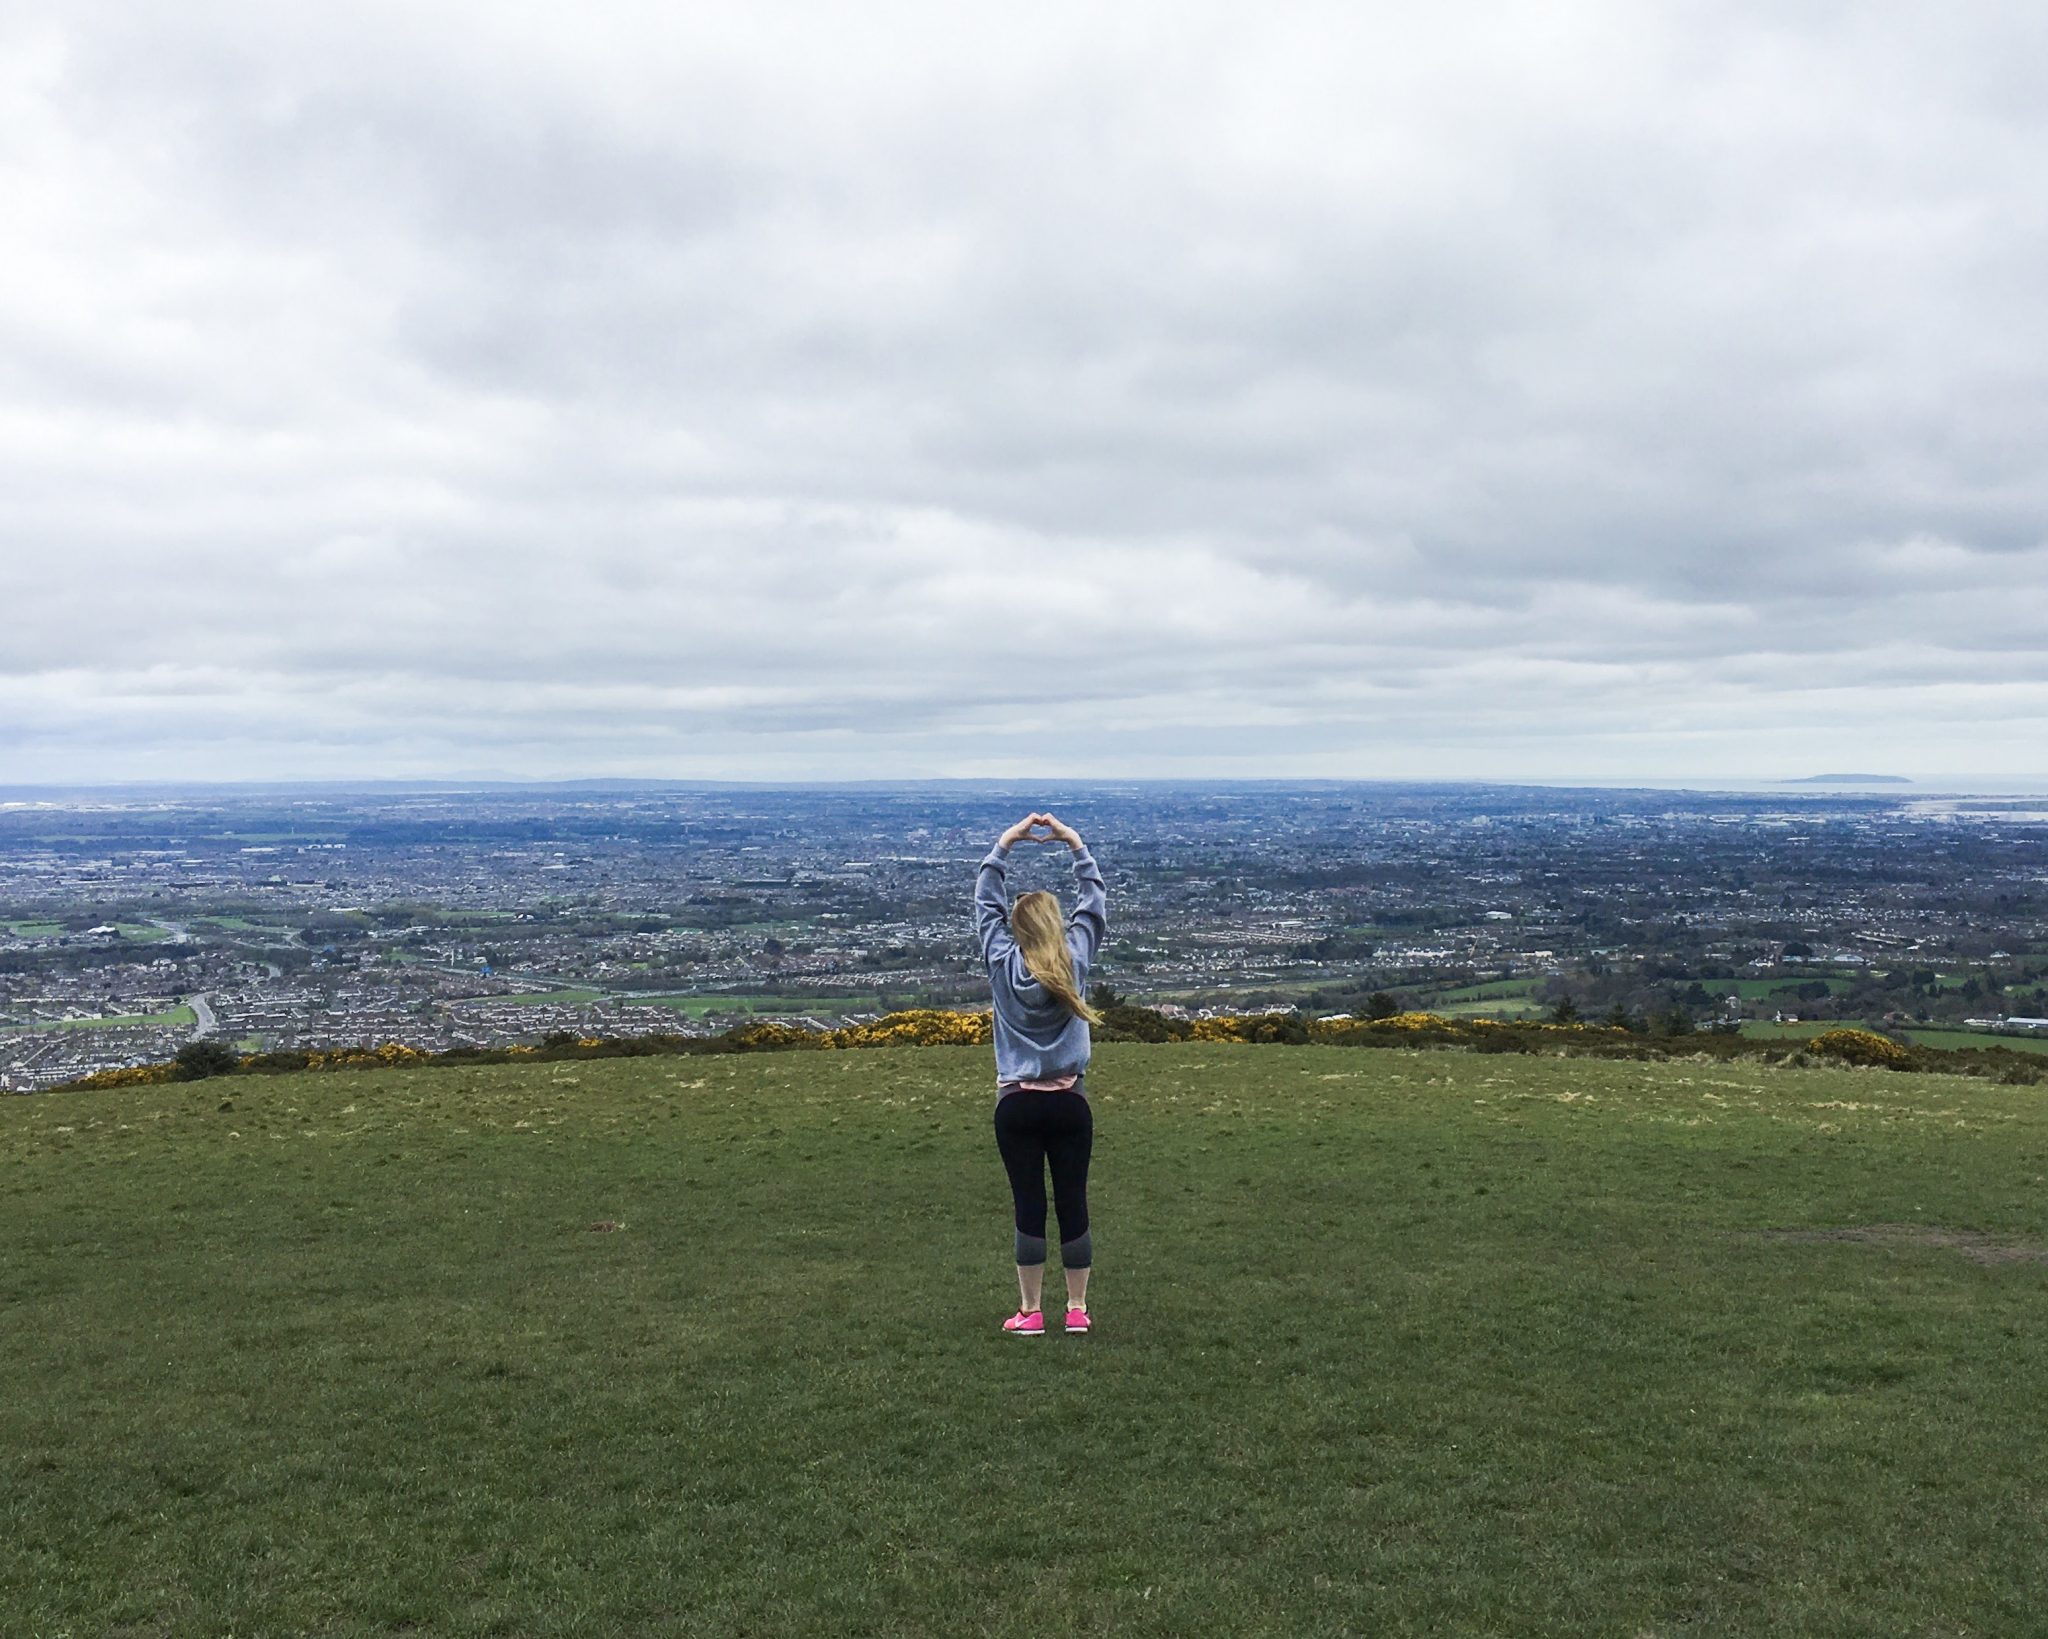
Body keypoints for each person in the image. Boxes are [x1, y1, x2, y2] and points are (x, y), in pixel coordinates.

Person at [975, 812, 1107, 1336]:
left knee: (1028, 1205)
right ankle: (1076, 1310)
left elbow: (984, 904)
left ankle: (1031, 1313)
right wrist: (1076, 845)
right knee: (1073, 1202)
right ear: (1057, 926)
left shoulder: (1000, 961)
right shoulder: (1074, 961)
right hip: (1070, 1102)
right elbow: (1093, 905)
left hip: (1016, 1107)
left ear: (1016, 928)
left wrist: (1004, 845)